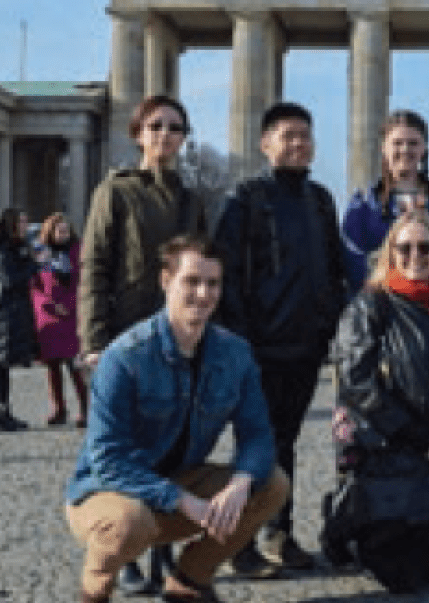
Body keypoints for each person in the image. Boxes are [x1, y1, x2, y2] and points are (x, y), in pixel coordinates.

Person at [65, 235, 288, 603]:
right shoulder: (124, 358)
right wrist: (184, 501)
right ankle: (94, 590)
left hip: (179, 484)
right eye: (192, 281)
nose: (203, 294)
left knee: (271, 483)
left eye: (212, 283)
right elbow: (108, 461)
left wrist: (240, 482)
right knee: (128, 523)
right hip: (108, 492)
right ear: (166, 281)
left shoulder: (235, 354)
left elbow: (258, 435)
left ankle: (189, 582)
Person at [322, 209, 429, 594]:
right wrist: (420, 437)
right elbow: (358, 383)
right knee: (402, 575)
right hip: (394, 449)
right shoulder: (370, 307)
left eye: (425, 247)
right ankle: (346, 516)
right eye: (404, 248)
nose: (415, 256)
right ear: (390, 254)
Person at [78, 93, 206, 595]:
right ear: (138, 134)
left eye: (175, 128)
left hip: (179, 338)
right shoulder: (114, 192)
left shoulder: (191, 199)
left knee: (175, 447)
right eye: (156, 127)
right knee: (122, 449)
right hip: (125, 339)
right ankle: (124, 550)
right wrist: (93, 341)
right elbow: (94, 267)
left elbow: (202, 273)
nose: (166, 136)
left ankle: (164, 550)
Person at [214, 102, 346, 576]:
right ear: (265, 143)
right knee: (254, 443)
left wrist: (330, 322)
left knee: (286, 442)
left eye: (305, 136)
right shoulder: (245, 197)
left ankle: (279, 531)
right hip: (258, 345)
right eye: (287, 135)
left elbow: (333, 268)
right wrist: (239, 337)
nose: (298, 144)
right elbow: (225, 274)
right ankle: (238, 542)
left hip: (306, 344)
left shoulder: (322, 199)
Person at [341, 109, 429, 298]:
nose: (405, 150)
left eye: (413, 143)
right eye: (397, 143)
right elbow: (352, 264)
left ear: (424, 149)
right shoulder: (363, 205)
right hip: (379, 308)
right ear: (384, 147)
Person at [31, 213, 89, 427]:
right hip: (49, 318)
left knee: (76, 366)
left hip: (73, 315)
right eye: (59, 231)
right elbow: (35, 284)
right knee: (52, 366)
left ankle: (85, 408)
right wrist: (49, 305)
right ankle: (58, 409)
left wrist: (71, 305)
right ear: (51, 232)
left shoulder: (78, 250)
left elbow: (84, 281)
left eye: (66, 230)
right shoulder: (41, 252)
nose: (63, 234)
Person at [0, 207, 38, 431]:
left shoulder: (17, 247)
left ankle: (5, 412)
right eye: (22, 222)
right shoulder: (5, 249)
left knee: (4, 370)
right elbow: (9, 280)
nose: (26, 226)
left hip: (12, 314)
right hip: (5, 315)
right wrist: (34, 265)